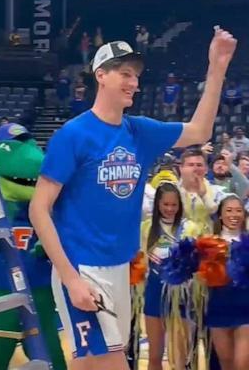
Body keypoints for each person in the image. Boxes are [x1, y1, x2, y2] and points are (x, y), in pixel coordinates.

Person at [29, 30, 236, 370]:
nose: (133, 83)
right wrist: (70, 278)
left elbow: (200, 131)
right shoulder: (73, 134)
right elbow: (39, 209)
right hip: (82, 267)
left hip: (119, 269)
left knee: (88, 364)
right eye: (125, 74)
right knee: (110, 362)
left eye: (136, 77)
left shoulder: (139, 131)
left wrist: (216, 68)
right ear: (101, 75)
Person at [141, 182, 199, 370]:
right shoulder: (147, 227)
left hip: (182, 296)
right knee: (155, 355)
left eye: (174, 205)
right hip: (153, 293)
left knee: (179, 358)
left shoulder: (190, 228)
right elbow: (139, 260)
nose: (170, 209)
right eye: (166, 204)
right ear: (157, 204)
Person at [206, 195, 249, 370]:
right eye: (229, 210)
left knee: (242, 363)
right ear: (221, 215)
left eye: (239, 210)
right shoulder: (208, 243)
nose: (234, 215)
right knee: (227, 364)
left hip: (246, 309)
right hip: (219, 309)